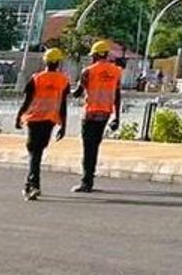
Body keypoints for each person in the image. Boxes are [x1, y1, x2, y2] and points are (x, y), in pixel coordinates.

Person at [15, 49, 71, 200]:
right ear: (58, 63)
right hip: (50, 120)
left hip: (34, 119)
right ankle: (31, 184)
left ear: (45, 61)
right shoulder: (63, 81)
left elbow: (27, 101)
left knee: (35, 152)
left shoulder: (36, 78)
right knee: (37, 152)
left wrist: (18, 116)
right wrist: (63, 125)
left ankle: (33, 185)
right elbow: (63, 104)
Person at [74, 40, 124, 193]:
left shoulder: (88, 71)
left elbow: (77, 92)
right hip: (105, 114)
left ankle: (86, 181)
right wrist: (117, 117)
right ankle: (89, 178)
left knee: (88, 148)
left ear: (95, 55)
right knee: (94, 146)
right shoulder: (116, 71)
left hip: (90, 114)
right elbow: (117, 95)